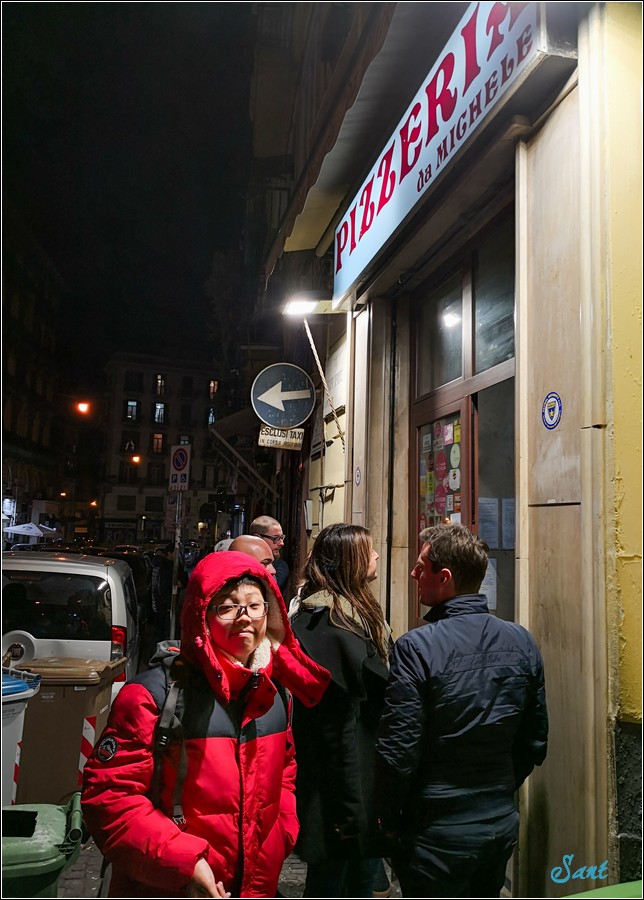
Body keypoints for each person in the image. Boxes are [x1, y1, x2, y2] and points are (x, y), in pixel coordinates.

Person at [82, 550, 331, 898]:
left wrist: (281, 831)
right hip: (167, 888)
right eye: (227, 607)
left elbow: (285, 773)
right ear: (201, 615)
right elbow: (111, 798)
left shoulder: (273, 692)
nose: (244, 618)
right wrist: (186, 863)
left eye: (255, 606)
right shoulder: (151, 696)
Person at [374, 523, 548, 898]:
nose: (414, 574)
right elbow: (534, 739)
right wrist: (498, 789)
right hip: (497, 821)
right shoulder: (521, 640)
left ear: (445, 578)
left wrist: (387, 817)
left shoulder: (416, 647)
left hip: (434, 829)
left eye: (421, 566)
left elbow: (399, 749)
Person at [290, 523, 391, 898]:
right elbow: (339, 730)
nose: (377, 555)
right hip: (341, 796)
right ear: (350, 561)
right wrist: (352, 811)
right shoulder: (331, 629)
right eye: (369, 550)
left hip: (355, 790)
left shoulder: (350, 615)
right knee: (335, 886)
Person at [250, 515, 289, 594]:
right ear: (258, 538)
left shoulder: (280, 566)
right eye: (275, 538)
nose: (281, 543)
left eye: (282, 538)